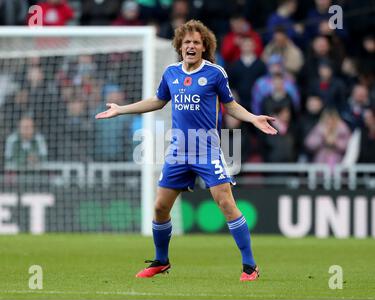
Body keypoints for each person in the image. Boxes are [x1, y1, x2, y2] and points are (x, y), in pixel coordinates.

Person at [95, 20, 277, 282]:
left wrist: (252, 118)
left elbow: (231, 105)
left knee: (226, 203)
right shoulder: (171, 73)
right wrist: (120, 109)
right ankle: (161, 261)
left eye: (196, 42)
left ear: (205, 48)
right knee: (160, 207)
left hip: (206, 149)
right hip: (178, 150)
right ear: (179, 46)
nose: (191, 46)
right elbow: (158, 101)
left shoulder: (215, 73)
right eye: (186, 42)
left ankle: (250, 266)